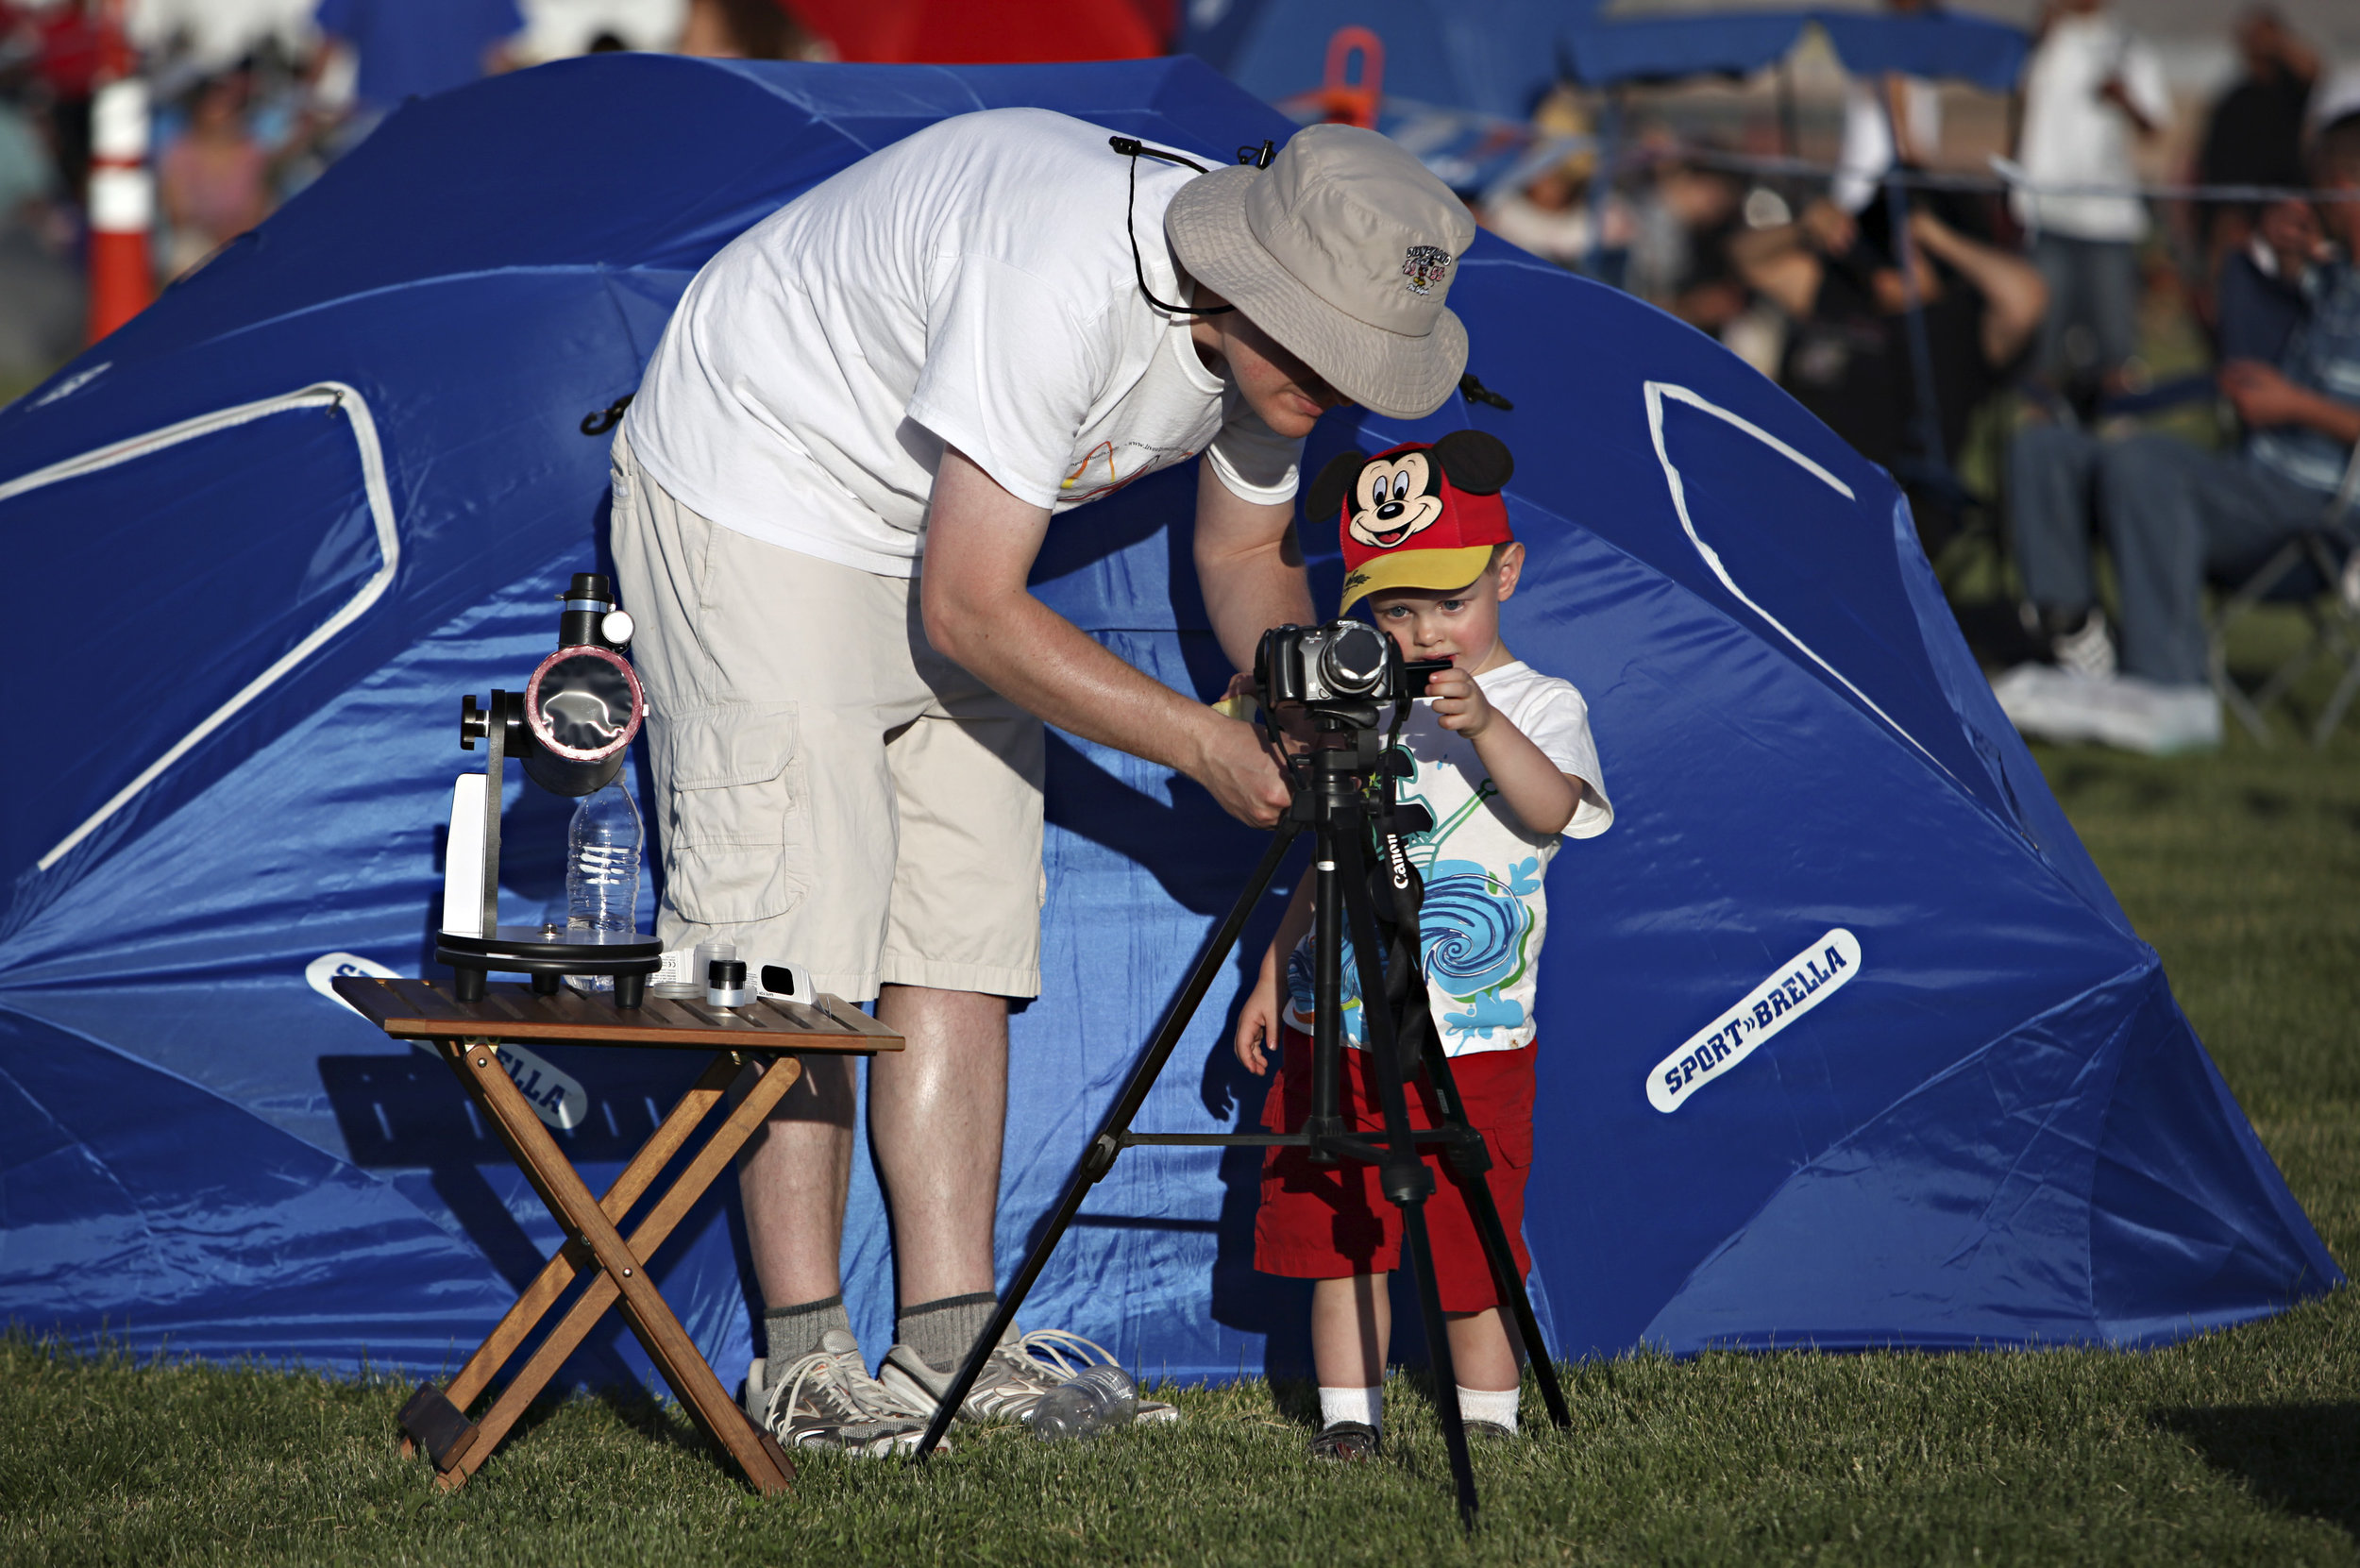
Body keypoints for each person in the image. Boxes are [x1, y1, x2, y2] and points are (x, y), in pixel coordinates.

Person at [610, 110, 1478, 1454]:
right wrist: (1197, 742)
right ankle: (804, 1363)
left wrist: (1296, 702)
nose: (1341, 383)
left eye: (1369, 357)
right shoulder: (1063, 273)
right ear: (1248, 283)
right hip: (759, 491)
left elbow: (1246, 559)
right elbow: (969, 610)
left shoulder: (1279, 342)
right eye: (1326, 350)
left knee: (962, 923)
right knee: (795, 938)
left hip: (939, 537)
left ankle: (949, 1346)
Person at [1233, 433, 1611, 1460]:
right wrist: (1275, 969)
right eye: (1394, 611)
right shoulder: (1372, 701)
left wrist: (1485, 723)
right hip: (1337, 1029)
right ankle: (1349, 1417)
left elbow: (1549, 810)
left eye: (1448, 603)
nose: (1422, 632)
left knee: (1468, 1242)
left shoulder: (1541, 705)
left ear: (1507, 571)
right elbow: (1324, 855)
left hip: (1469, 1041)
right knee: (1336, 1236)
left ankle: (1485, 1423)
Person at [1998, 115, 2360, 755]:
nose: (2317, 208)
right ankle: (2078, 647)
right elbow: (2244, 289)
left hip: (2316, 513)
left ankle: (2172, 687)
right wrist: (2275, 246)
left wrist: (2295, 404)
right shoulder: (2335, 280)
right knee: (2043, 447)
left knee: (2143, 462)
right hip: (2246, 478)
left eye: (2326, 192)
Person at [1732, 196, 2047, 557]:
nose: (1889, 266)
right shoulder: (1837, 290)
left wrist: (1938, 236)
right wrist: (1803, 226)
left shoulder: (1958, 322)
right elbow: (1746, 258)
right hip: (1794, 481)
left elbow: (2028, 297)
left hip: (1891, 509)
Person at [2012, 0, 2171, 398]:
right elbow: (2020, 104)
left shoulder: (2127, 46)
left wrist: (2125, 99)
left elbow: (2156, 126)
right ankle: (2042, 430)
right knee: (2042, 343)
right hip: (2046, 213)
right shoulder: (2044, 42)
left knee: (2115, 342)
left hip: (2107, 220)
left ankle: (2118, 435)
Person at [159, 72, 269, 279]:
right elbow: (178, 212)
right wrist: (214, 232)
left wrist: (234, 232)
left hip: (241, 233)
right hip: (199, 236)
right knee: (187, 252)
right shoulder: (181, 151)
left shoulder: (251, 152)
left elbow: (256, 204)